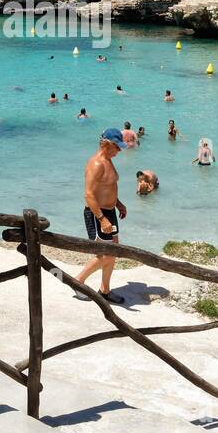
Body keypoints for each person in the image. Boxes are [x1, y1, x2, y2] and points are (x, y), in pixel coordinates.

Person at [74, 129, 129, 304]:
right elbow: (89, 195)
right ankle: (78, 282)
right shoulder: (96, 164)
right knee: (106, 255)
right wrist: (101, 218)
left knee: (114, 251)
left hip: (110, 212)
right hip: (97, 213)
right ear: (107, 144)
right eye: (117, 147)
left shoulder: (108, 161)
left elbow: (108, 187)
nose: (119, 151)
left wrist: (118, 204)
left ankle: (105, 290)